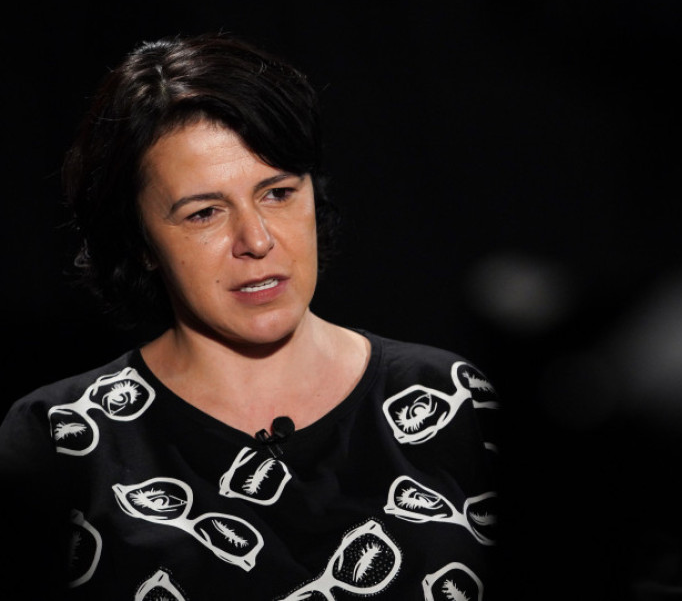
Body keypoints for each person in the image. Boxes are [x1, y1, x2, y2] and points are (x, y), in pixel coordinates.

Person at [0, 33, 499, 599]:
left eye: (277, 193)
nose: (256, 240)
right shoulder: (59, 438)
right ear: (140, 241)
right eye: (204, 213)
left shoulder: (460, 400)